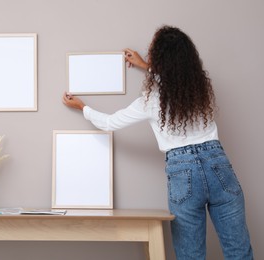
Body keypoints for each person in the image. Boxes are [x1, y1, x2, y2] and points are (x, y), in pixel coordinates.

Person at [62, 25, 254, 260]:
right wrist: (146, 66)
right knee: (239, 252)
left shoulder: (151, 101)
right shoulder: (200, 89)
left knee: (190, 256)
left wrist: (83, 107)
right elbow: (174, 78)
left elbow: (110, 123)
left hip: (183, 171)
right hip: (218, 164)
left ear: (159, 58)